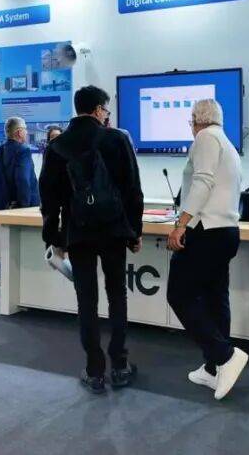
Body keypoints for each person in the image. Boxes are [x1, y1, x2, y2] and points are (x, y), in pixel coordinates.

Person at [39, 85, 144, 393]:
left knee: (86, 299)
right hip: (113, 230)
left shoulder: (57, 145)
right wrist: (134, 231)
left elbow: (49, 197)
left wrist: (54, 237)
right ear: (98, 109)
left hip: (78, 232)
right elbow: (133, 190)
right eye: (106, 110)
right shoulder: (117, 139)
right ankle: (120, 366)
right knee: (117, 296)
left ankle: (95, 370)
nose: (107, 115)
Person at [165, 99, 247, 400]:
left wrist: (181, 224)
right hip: (226, 231)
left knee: (179, 294)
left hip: (205, 230)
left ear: (196, 119)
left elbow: (202, 183)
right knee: (215, 297)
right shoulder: (227, 143)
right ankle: (214, 368)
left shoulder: (205, 138)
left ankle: (225, 356)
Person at [0, 117, 39, 212]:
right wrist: (24, 207)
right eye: (25, 129)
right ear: (19, 132)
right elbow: (23, 180)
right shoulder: (23, 151)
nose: (26, 132)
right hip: (19, 209)